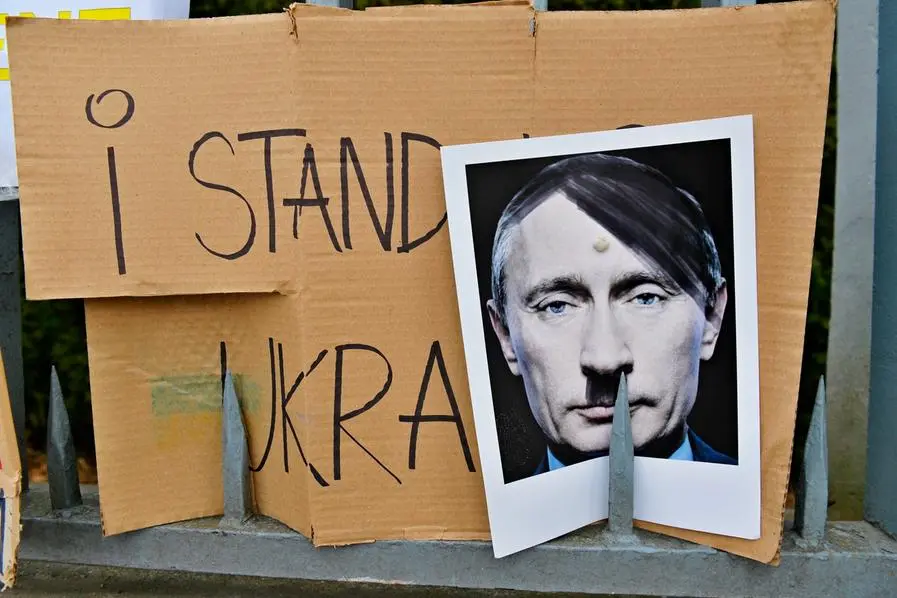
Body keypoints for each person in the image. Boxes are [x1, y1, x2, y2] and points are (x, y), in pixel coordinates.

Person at [485, 152, 736, 475]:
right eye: (556, 306)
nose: (605, 359)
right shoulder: (481, 525)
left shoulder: (756, 513)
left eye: (646, 298)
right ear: (504, 335)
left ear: (712, 316)